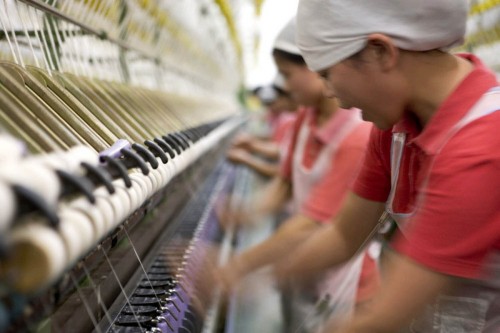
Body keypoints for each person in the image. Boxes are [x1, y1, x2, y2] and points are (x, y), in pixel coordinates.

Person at [275, 1, 500, 332]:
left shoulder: (482, 147)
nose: (327, 90)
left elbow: (383, 318)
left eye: (327, 73)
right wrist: (258, 274)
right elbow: (343, 235)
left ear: (381, 51)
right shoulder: (393, 128)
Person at [218, 18, 379, 333]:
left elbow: (313, 223)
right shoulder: (305, 117)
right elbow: (285, 183)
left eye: (289, 75)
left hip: (343, 283)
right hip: (302, 269)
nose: (286, 85)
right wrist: (251, 214)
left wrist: (238, 267)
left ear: (314, 66)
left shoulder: (356, 135)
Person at [228, 77, 297, 177]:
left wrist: (248, 154)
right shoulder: (281, 117)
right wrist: (252, 141)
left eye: (272, 103)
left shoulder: (289, 119)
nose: (270, 107)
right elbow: (276, 140)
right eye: (267, 104)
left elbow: (280, 154)